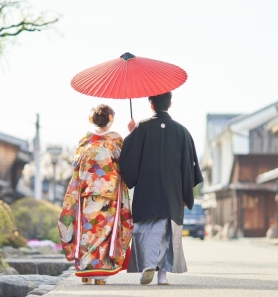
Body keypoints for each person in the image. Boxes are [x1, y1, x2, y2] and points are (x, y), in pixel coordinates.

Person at [119, 92, 203, 285]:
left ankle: (148, 264)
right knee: (167, 231)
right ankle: (162, 275)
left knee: (145, 229)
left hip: (147, 190)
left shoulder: (141, 128)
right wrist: (185, 193)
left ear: (151, 104)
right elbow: (189, 166)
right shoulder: (182, 131)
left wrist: (132, 134)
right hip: (172, 191)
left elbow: (128, 160)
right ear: (170, 103)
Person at [58, 104, 133, 285]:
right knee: (104, 231)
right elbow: (126, 162)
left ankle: (86, 270)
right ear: (111, 119)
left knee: (87, 230)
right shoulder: (115, 139)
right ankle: (100, 274)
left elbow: (76, 163)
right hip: (109, 194)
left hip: (86, 193)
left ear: (93, 120)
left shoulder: (86, 140)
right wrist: (134, 134)